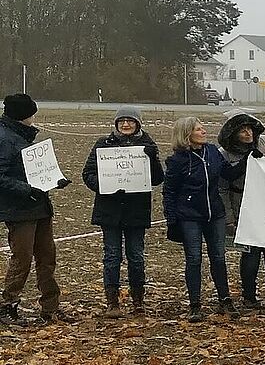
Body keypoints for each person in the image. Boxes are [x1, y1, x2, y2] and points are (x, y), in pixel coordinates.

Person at [82, 107, 163, 316]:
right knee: (112, 256)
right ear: (116, 124)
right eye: (122, 121)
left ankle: (138, 301)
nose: (126, 125)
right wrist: (104, 185)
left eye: (130, 121)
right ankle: (112, 303)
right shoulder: (103, 144)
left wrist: (152, 159)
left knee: (136, 256)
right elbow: (88, 173)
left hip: (136, 211)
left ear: (138, 124)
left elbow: (156, 179)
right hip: (109, 211)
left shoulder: (147, 145)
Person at [0, 92, 71, 326]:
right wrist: (26, 190)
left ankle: (50, 307)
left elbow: (34, 172)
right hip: (20, 209)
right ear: (25, 115)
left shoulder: (21, 136)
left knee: (47, 256)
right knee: (22, 258)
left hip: (39, 206)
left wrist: (54, 180)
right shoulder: (5, 138)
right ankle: (7, 305)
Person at [162, 117, 236, 323]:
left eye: (203, 128)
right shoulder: (177, 161)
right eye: (198, 129)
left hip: (215, 213)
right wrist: (171, 218)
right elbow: (169, 191)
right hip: (189, 216)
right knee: (194, 259)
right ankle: (195, 304)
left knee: (219, 257)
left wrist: (249, 158)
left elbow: (228, 174)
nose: (204, 131)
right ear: (187, 134)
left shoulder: (212, 152)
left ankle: (225, 299)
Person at [218, 111, 265, 310]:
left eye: (249, 129)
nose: (248, 133)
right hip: (244, 206)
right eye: (242, 131)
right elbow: (222, 188)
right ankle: (249, 295)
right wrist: (229, 219)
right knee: (250, 254)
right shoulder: (224, 153)